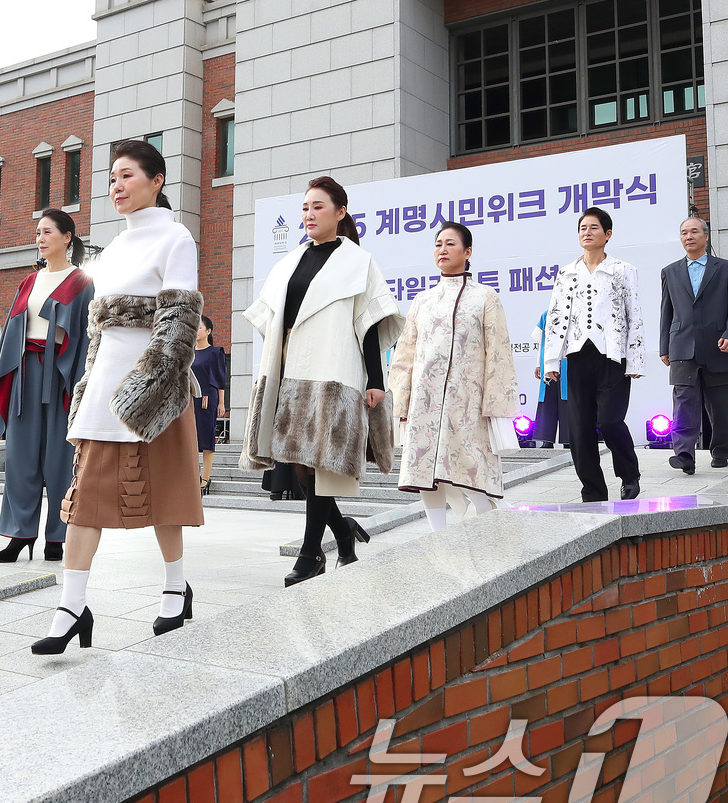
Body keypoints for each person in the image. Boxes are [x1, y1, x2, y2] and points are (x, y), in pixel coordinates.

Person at [32, 139, 204, 655]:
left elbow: (178, 322)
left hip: (155, 390)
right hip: (106, 386)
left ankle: (175, 587)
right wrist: (91, 387)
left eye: (127, 176)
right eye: (112, 178)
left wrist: (146, 389)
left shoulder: (177, 238)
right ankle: (71, 606)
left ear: (157, 181)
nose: (117, 186)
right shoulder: (112, 249)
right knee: (83, 499)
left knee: (167, 497)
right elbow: (100, 333)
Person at [240, 176, 404, 586]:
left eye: (317, 206)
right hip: (291, 368)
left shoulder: (357, 261)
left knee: (321, 466)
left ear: (340, 212)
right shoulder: (290, 261)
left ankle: (310, 555)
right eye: (305, 208)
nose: (309, 214)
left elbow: (368, 325)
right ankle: (343, 532)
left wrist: (376, 380)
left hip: (334, 367)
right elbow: (272, 319)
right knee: (300, 466)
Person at [389, 222, 519, 531]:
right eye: (438, 244)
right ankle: (438, 535)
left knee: (473, 468)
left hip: (468, 404)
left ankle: (487, 532)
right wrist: (400, 401)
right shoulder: (422, 300)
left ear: (467, 251)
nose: (442, 249)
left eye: (450, 244)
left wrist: (494, 406)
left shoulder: (485, 297)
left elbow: (498, 353)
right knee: (425, 473)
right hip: (425, 403)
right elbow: (405, 353)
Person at [0, 208, 94, 563]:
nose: (40, 238)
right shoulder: (28, 282)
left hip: (61, 377)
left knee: (59, 456)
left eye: (47, 232)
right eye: (37, 232)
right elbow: (13, 329)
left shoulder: (82, 281)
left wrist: (81, 385)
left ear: (67, 237)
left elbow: (86, 337)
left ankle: (56, 536)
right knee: (19, 456)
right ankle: (20, 533)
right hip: (24, 374)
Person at [541, 207, 645, 501]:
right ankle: (593, 492)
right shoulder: (566, 272)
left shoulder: (623, 270)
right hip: (577, 357)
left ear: (607, 234)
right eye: (582, 228)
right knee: (579, 430)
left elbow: (634, 314)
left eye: (594, 228)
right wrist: (552, 361)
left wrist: (635, 359)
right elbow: (557, 317)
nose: (587, 232)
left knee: (610, 420)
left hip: (612, 357)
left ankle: (629, 474)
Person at [659, 216, 728, 473]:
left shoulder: (726, 268)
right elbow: (667, 311)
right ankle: (684, 454)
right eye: (684, 232)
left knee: (723, 408)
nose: (688, 236)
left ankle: (721, 450)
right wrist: (664, 346)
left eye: (694, 232)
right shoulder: (670, 272)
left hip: (720, 346)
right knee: (684, 403)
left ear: (706, 236)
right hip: (683, 347)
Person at [192, 315, 228, 494]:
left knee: (206, 439)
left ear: (208, 331)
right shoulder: (189, 353)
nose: (196, 331)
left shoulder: (216, 352)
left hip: (207, 399)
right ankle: (193, 476)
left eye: (199, 327)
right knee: (191, 440)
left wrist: (221, 403)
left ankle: (205, 479)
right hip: (190, 400)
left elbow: (220, 380)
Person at [531, 311, 567, 448]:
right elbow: (542, 342)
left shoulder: (574, 310)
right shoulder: (546, 315)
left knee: (568, 402)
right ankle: (547, 440)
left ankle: (569, 440)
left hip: (568, 365)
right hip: (548, 364)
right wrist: (538, 364)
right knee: (547, 402)